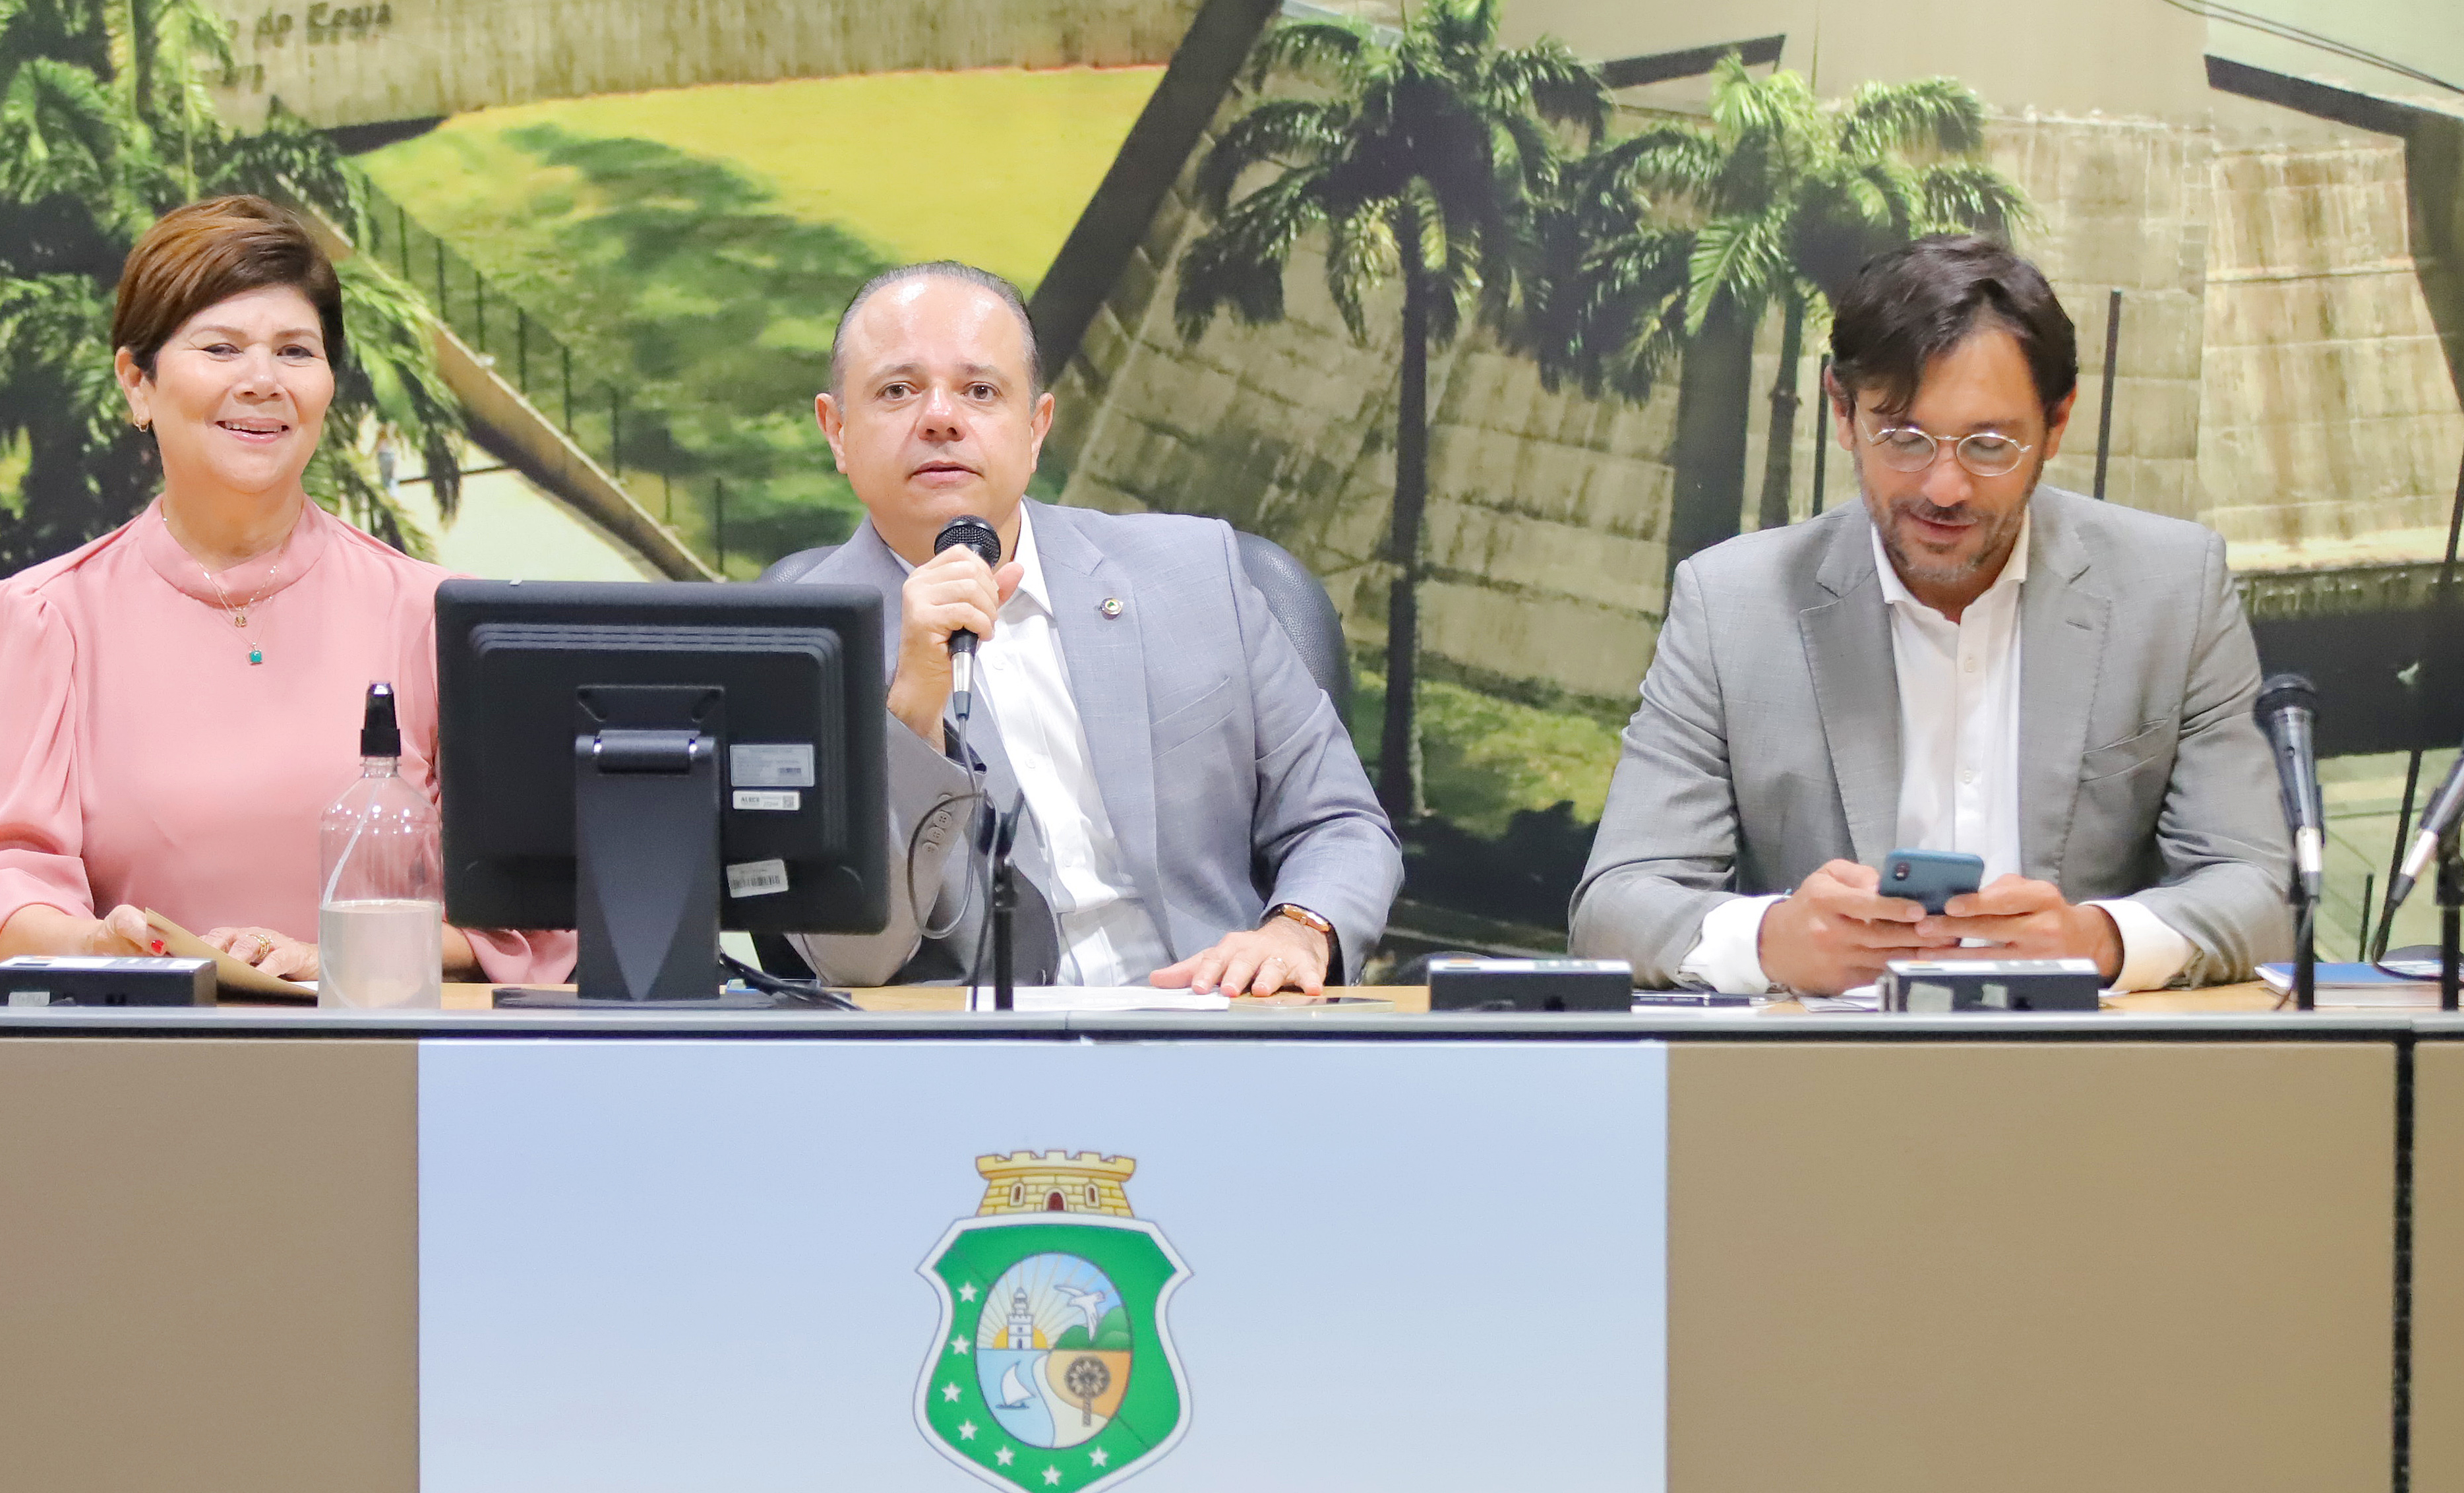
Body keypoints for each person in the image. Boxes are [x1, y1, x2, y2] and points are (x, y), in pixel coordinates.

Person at [1571, 235, 2287, 995]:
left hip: (2077, 1058)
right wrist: (1773, 941)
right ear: (1842, 412)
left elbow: (2262, 891)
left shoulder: (2172, 590)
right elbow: (1614, 906)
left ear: (2056, 423)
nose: (1943, 488)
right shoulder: (1730, 606)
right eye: (1904, 438)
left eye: (1988, 445)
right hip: (1827, 1061)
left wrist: (2097, 940)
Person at [0, 195, 572, 984]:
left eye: (295, 351)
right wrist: (96, 947)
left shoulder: (436, 620)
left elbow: (530, 922)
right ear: (137, 382)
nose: (262, 381)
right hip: (142, 1044)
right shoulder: (39, 621)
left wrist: (342, 957)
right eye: (221, 348)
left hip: (389, 1048)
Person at [777, 262, 1399, 993]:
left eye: (981, 391)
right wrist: (911, 706)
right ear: (837, 430)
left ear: (1036, 427)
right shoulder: (797, 651)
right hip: (973, 1050)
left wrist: (1297, 929)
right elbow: (850, 959)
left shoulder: (1198, 572)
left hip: (1218, 1021)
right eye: (897, 391)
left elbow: (1340, 822)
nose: (940, 417)